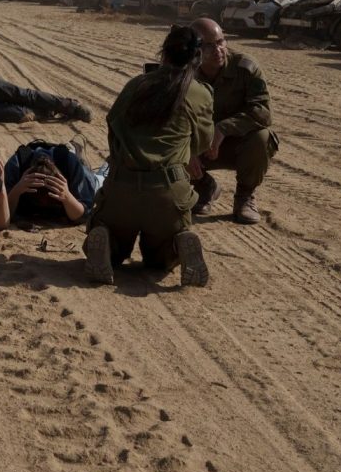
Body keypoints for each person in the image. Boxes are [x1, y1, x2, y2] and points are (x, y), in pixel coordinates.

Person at [82, 26, 215, 286]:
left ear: (163, 54)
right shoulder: (200, 93)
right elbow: (204, 143)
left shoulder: (137, 85)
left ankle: (106, 240)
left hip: (123, 188)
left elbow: (113, 128)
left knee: (116, 251)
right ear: (197, 58)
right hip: (168, 193)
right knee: (159, 260)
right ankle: (178, 242)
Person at [189, 18, 279, 224]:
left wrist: (223, 129)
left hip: (236, 145)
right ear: (194, 49)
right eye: (208, 45)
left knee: (262, 138)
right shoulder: (185, 72)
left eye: (221, 42)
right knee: (167, 147)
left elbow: (263, 112)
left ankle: (244, 197)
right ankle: (205, 187)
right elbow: (170, 118)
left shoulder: (245, 67)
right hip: (198, 145)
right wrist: (186, 151)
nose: (218, 49)